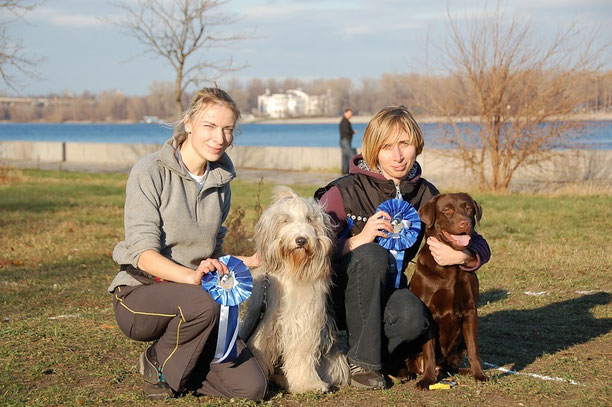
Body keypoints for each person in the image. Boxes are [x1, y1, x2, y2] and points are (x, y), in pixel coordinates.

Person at [108, 87, 267, 401]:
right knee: (202, 304)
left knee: (251, 388)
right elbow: (142, 254)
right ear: (189, 123)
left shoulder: (221, 181)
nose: (219, 138)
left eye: (228, 129)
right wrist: (190, 278)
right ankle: (156, 364)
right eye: (210, 126)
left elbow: (212, 253)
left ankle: (179, 366)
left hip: (197, 300)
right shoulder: (149, 171)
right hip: (140, 294)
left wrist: (246, 261)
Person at [315, 105, 491, 389]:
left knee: (414, 318)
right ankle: (362, 364)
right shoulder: (343, 191)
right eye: (387, 147)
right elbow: (312, 249)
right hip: (337, 298)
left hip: (389, 293)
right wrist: (359, 239)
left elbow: (478, 241)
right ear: (373, 149)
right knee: (371, 254)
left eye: (404, 144)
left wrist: (466, 255)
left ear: (416, 146)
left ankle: (384, 358)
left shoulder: (425, 194)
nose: (397, 156)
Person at [339, 108, 357, 175]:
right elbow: (346, 131)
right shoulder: (344, 122)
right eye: (350, 113)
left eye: (351, 114)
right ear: (345, 113)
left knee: (345, 157)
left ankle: (344, 172)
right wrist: (353, 132)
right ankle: (354, 171)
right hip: (345, 141)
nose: (351, 115)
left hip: (345, 141)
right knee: (351, 155)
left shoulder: (346, 121)